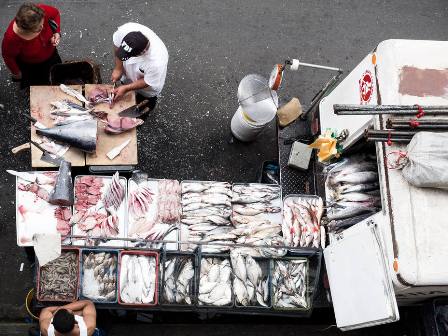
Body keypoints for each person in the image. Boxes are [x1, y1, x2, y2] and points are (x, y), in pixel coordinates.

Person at [111, 22, 168, 113]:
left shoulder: (156, 62)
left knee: (144, 102)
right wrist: (118, 68)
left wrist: (126, 88)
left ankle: (141, 114)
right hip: (130, 72)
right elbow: (117, 46)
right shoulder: (125, 30)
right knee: (125, 85)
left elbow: (147, 81)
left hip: (147, 86)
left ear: (142, 52)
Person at [1, 2, 62, 88]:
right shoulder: (11, 40)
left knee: (56, 74)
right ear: (28, 32)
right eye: (39, 28)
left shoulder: (38, 14)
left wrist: (57, 32)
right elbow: (8, 56)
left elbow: (55, 13)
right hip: (32, 66)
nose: (43, 27)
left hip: (51, 55)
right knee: (40, 84)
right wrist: (16, 72)